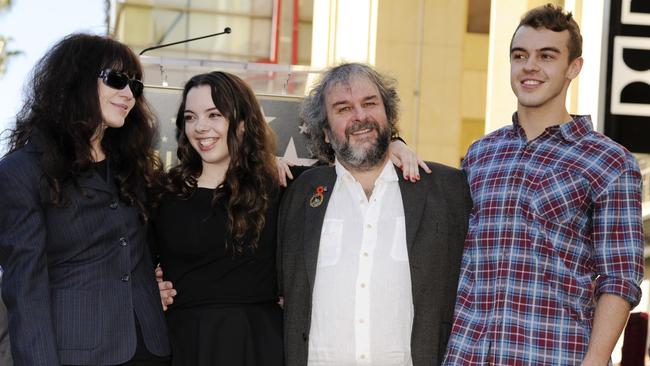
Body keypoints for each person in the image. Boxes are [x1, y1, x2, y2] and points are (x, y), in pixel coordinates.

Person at [152, 70, 428, 366]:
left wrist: (394, 144)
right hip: (185, 344)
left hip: (259, 345)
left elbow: (355, 158)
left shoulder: (285, 185)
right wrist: (148, 289)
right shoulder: (162, 192)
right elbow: (130, 263)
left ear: (243, 123)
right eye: (191, 117)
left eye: (214, 114)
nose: (201, 127)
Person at [443, 4, 644, 365]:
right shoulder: (480, 154)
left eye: (546, 56)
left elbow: (619, 279)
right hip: (468, 355)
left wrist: (596, 360)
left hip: (553, 354)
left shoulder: (610, 161)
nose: (530, 66)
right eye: (520, 55)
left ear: (573, 67)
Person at [278, 62, 472, 366]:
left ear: (389, 116)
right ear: (326, 132)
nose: (360, 116)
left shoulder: (448, 189)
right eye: (343, 108)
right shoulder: (297, 194)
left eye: (370, 103)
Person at [0, 33, 171, 365]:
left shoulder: (133, 165)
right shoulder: (22, 171)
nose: (128, 94)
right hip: (77, 355)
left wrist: (267, 160)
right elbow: (26, 291)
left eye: (134, 86)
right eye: (117, 79)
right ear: (75, 79)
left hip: (150, 348)